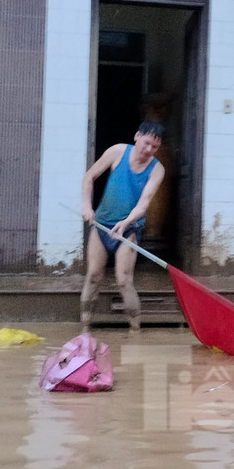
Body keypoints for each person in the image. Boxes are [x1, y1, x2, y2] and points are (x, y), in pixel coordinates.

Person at [80, 121, 167, 332]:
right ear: (137, 136)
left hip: (129, 230)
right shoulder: (117, 152)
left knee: (124, 280)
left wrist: (125, 222)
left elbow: (144, 204)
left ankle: (135, 329)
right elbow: (89, 177)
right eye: (146, 143)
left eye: (154, 147)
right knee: (93, 276)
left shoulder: (157, 170)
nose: (149, 150)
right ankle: (84, 327)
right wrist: (86, 206)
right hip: (101, 225)